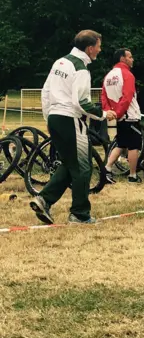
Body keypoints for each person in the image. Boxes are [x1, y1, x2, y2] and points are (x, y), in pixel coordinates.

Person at [29, 30, 116, 225]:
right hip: (70, 119)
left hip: (55, 117)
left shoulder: (59, 62)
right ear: (90, 48)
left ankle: (44, 199)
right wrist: (103, 114)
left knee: (70, 163)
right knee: (83, 167)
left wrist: (49, 117)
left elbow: (46, 92)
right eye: (99, 46)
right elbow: (81, 103)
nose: (100, 50)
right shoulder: (81, 69)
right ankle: (79, 214)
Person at [101, 48, 143, 184]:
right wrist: (119, 112)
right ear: (122, 59)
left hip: (118, 116)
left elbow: (104, 96)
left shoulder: (108, 76)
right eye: (130, 57)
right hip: (129, 115)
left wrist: (110, 112)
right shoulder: (127, 75)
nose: (132, 59)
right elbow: (127, 97)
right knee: (134, 146)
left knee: (121, 143)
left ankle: (106, 168)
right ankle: (132, 175)